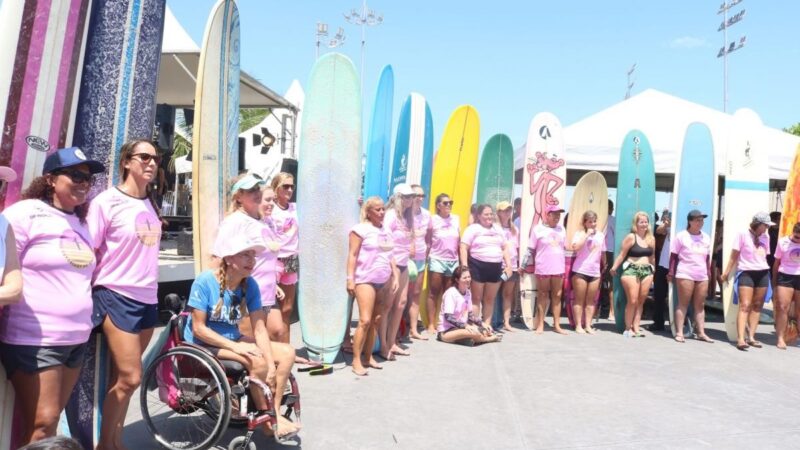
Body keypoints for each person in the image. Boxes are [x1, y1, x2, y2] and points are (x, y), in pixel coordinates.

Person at [0, 148, 103, 444]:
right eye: (75, 175)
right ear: (50, 179)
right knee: (43, 423)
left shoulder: (81, 223)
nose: (84, 182)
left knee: (49, 422)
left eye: (88, 177)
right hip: (34, 339)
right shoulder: (23, 214)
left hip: (76, 340)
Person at [86, 139, 163, 449]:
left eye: (156, 158)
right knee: (131, 377)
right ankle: (106, 445)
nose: (152, 163)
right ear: (127, 162)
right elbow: (89, 249)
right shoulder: (107, 202)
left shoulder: (151, 203)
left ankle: (116, 441)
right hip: (115, 293)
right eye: (144, 156)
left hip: (148, 298)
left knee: (126, 379)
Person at [184, 232, 298, 438]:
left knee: (287, 353)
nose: (252, 260)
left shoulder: (250, 285)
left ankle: (275, 414)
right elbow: (198, 329)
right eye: (245, 255)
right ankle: (267, 417)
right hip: (203, 343)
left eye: (253, 256)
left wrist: (272, 365)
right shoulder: (204, 281)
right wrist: (237, 347)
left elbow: (260, 328)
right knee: (257, 362)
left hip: (232, 339)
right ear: (228, 258)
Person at [217, 173, 284, 343]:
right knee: (251, 342)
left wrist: (274, 284)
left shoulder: (262, 221)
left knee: (277, 333)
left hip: (267, 291)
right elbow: (218, 257)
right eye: (250, 190)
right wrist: (224, 292)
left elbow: (267, 258)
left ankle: (272, 368)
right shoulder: (235, 221)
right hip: (246, 293)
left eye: (257, 188)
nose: (256, 192)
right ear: (238, 197)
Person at [346, 197, 399, 375]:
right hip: (365, 279)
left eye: (383, 209)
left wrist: (396, 276)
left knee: (376, 321)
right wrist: (350, 279)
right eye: (377, 209)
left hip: (384, 279)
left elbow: (390, 255)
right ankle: (356, 360)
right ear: (368, 212)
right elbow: (352, 255)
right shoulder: (359, 230)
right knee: (365, 320)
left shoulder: (386, 230)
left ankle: (367, 357)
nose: (382, 212)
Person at [721, 212, 773, 351]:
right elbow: (734, 256)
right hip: (746, 272)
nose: (767, 228)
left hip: (762, 272)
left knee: (757, 306)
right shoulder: (742, 234)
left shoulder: (765, 236)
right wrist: (726, 273)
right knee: (745, 305)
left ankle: (751, 337)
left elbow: (764, 256)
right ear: (758, 224)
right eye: (765, 225)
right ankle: (740, 339)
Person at [460, 204, 512, 328]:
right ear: (479, 216)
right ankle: (474, 325)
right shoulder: (473, 229)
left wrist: (509, 265)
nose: (489, 216)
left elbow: (505, 248)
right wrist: (465, 268)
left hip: (495, 267)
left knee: (490, 299)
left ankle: (487, 325)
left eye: (491, 214)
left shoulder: (498, 229)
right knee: (476, 298)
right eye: (486, 214)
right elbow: (463, 247)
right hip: (477, 266)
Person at [379, 183, 415, 359]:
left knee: (400, 304)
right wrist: (393, 269)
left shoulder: (408, 217)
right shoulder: (391, 216)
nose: (410, 200)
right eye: (407, 197)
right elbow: (385, 242)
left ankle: (392, 342)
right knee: (387, 305)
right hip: (391, 265)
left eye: (411, 197)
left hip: (404, 263)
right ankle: (384, 345)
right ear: (398, 197)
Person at [668, 210, 714, 343]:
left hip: (702, 274)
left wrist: (708, 272)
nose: (701, 223)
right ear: (690, 221)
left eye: (702, 220)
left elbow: (707, 258)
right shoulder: (681, 236)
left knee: (700, 305)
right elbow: (674, 256)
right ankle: (680, 332)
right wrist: (671, 272)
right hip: (685, 273)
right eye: (698, 220)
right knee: (683, 303)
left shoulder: (706, 237)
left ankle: (701, 332)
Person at [610, 211, 655, 337]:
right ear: (636, 223)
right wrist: (614, 267)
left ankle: (636, 327)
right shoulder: (631, 237)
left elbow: (652, 257)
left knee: (641, 301)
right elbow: (622, 254)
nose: (644, 224)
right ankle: (627, 328)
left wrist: (653, 271)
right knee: (632, 300)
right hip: (631, 270)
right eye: (641, 222)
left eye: (646, 222)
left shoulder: (651, 238)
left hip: (647, 271)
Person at [526, 205, 567, 334]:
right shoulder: (538, 229)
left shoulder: (562, 229)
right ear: (547, 215)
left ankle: (557, 325)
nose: (557, 217)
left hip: (558, 267)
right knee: (542, 295)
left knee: (557, 296)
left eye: (559, 214)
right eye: (554, 214)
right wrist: (523, 266)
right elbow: (530, 249)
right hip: (543, 267)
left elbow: (565, 247)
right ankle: (540, 325)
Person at [270, 173, 300, 347]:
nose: (289, 190)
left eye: (292, 186)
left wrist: (357, 204)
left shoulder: (295, 208)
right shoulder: (269, 208)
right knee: (270, 309)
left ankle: (286, 349)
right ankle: (272, 348)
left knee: (287, 309)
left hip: (291, 258)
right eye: (285, 186)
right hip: (274, 260)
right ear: (276, 188)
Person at [424, 193, 460, 335]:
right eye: (445, 203)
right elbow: (427, 241)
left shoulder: (456, 219)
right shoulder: (433, 220)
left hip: (452, 260)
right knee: (433, 292)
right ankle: (431, 324)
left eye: (451, 202)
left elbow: (459, 240)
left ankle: (446, 323)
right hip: (437, 258)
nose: (449, 205)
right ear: (438, 205)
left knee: (448, 294)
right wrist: (426, 259)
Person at [437, 266, 500, 345]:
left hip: (459, 328)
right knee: (476, 332)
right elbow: (448, 317)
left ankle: (465, 339)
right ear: (457, 280)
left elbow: (470, 316)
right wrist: (465, 326)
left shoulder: (468, 292)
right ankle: (487, 339)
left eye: (469, 277)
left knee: (484, 329)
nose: (468, 280)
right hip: (446, 331)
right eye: (464, 278)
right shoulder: (451, 293)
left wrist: (482, 323)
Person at [570, 210, 606, 334]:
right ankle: (578, 325)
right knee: (579, 299)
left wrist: (604, 265)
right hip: (580, 270)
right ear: (585, 223)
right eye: (590, 221)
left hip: (595, 272)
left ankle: (588, 325)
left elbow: (603, 251)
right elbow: (575, 247)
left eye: (594, 221)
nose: (593, 224)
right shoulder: (579, 234)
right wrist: (586, 235)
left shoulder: (601, 235)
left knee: (591, 301)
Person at [406, 184, 432, 340]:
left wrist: (427, 251)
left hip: (421, 259)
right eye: (417, 195)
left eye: (423, 195)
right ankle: (399, 329)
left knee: (416, 294)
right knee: (401, 295)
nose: (420, 198)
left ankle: (413, 329)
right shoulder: (404, 214)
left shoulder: (427, 214)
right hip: (405, 259)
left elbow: (429, 236)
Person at [772, 222, 800, 349]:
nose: (798, 240)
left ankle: (797, 335)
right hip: (785, 276)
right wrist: (774, 281)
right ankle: (780, 338)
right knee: (783, 307)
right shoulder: (783, 242)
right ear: (793, 232)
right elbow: (776, 263)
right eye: (796, 237)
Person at [495, 201, 519, 331]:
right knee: (493, 294)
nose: (507, 212)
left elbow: (518, 248)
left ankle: (506, 322)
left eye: (509, 210)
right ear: (498, 212)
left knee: (508, 295)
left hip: (513, 266)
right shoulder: (494, 228)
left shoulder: (515, 229)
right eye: (504, 210)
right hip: (499, 265)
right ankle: (493, 321)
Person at [650, 209, 671, 331]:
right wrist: (667, 224)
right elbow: (659, 231)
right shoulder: (665, 226)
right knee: (659, 294)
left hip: (679, 265)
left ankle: (683, 323)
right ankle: (658, 322)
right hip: (663, 264)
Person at [603, 199, 616, 320]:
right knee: (611, 283)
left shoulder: (609, 219)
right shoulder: (612, 219)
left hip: (605, 251)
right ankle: (611, 312)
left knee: (603, 283)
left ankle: (611, 311)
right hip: (609, 252)